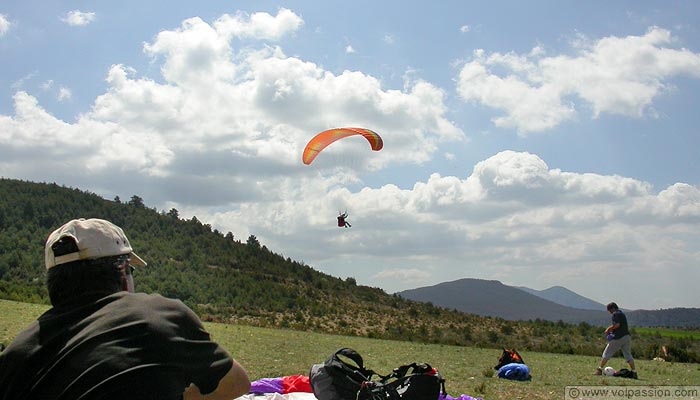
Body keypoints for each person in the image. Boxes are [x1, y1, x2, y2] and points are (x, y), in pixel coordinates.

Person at [0, 218, 251, 400]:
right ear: (121, 272)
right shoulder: (158, 315)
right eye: (130, 270)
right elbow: (236, 384)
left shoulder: (15, 353)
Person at [595, 302, 637, 378]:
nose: (610, 313)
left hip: (619, 337)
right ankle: (634, 372)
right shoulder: (621, 313)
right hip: (627, 336)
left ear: (613, 308)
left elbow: (617, 325)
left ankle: (599, 370)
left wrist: (608, 329)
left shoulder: (615, 314)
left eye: (610, 311)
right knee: (628, 355)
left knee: (607, 353)